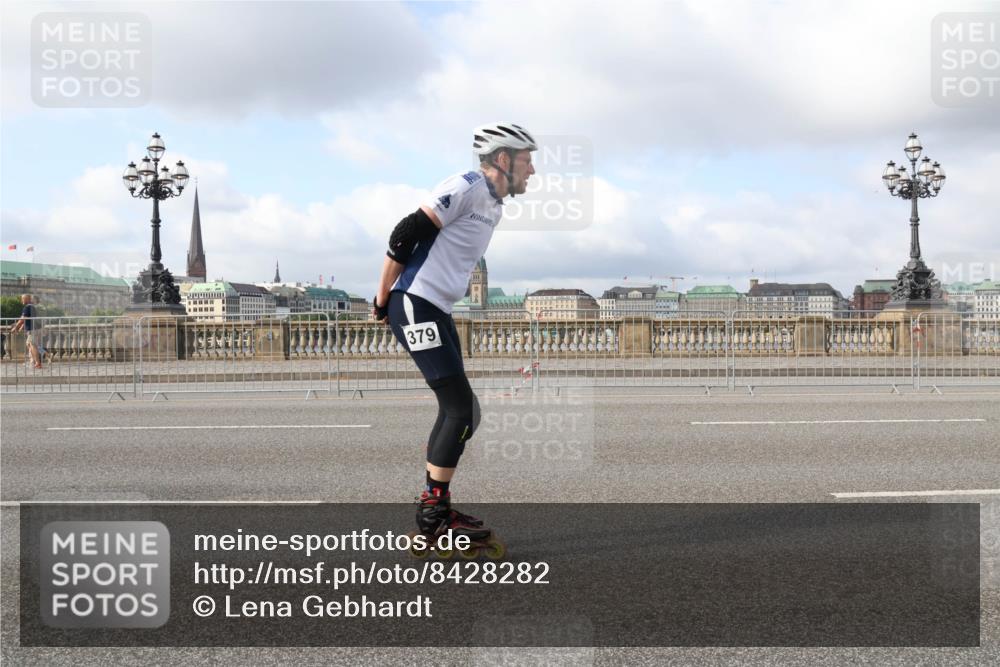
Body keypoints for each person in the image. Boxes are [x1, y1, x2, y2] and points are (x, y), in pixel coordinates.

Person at [373, 122, 537, 551]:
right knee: (459, 409)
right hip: (415, 301)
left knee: (465, 413)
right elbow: (405, 234)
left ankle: (436, 508)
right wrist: (382, 296)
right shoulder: (465, 186)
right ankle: (433, 518)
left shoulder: (495, 205)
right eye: (527, 160)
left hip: (437, 307)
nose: (533, 170)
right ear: (503, 160)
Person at [10, 294, 42, 369]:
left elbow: (23, 318)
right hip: (33, 329)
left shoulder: (27, 307)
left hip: (32, 329)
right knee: (29, 344)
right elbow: (27, 318)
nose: (21, 300)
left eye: (22, 299)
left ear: (27, 299)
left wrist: (16, 327)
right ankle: (33, 361)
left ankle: (37, 363)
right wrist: (21, 327)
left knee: (32, 345)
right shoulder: (31, 307)